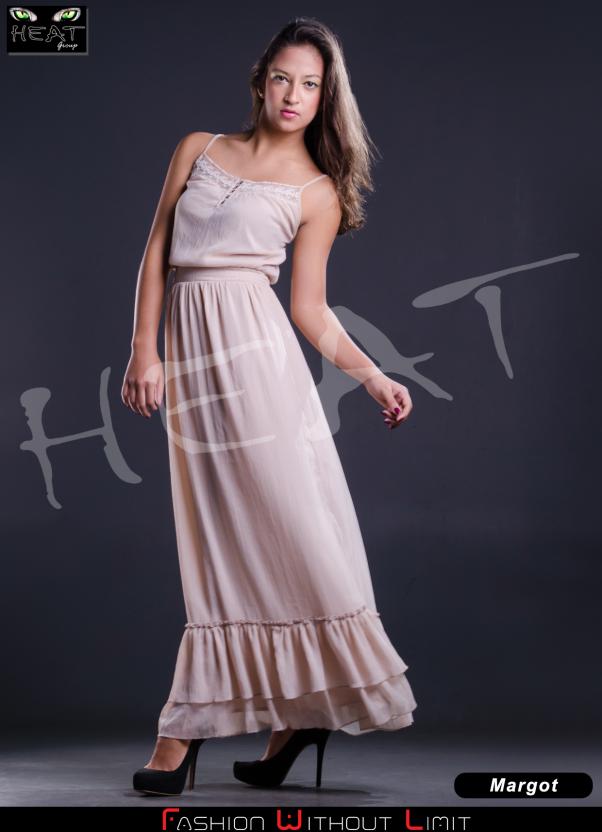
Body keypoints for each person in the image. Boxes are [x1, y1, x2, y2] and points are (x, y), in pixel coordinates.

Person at [122, 16, 417, 795]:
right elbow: (157, 251)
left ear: (324, 99)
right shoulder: (198, 147)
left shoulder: (317, 191)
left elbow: (310, 311)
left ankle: (189, 729)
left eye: (311, 85)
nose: (294, 95)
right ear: (260, 82)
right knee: (217, 543)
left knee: (290, 532)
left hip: (260, 371)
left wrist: (374, 376)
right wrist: (144, 349)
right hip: (192, 369)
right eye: (283, 78)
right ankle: (280, 720)